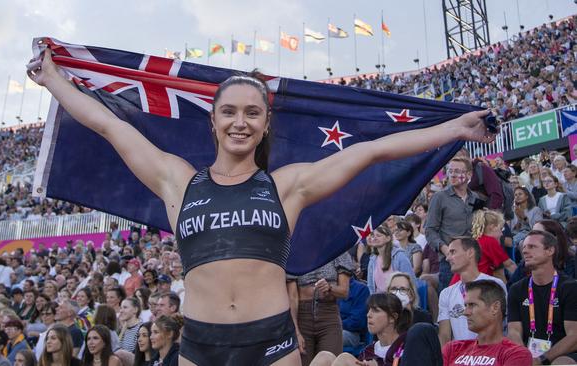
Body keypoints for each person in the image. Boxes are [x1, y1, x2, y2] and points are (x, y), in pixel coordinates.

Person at [28, 47, 495, 364]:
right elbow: (110, 126)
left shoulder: (286, 186)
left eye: (252, 113)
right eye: (229, 112)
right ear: (213, 121)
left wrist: (455, 129)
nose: (240, 122)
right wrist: (51, 79)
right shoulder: (176, 180)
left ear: (266, 124)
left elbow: (371, 151)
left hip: (272, 342)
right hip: (200, 345)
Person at [310, 293, 442, 366]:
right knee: (324, 357)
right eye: (368, 310)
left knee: (345, 359)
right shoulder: (369, 350)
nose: (368, 315)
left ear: (392, 317)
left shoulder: (409, 343)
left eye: (376, 311)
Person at [507, 230, 577, 365]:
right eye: (524, 247)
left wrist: (541, 360)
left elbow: (574, 336)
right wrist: (525, 358)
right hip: (528, 354)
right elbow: (514, 331)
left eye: (532, 247)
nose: (525, 251)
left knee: (561, 363)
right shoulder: (516, 289)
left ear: (550, 250)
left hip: (563, 354)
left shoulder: (570, 288)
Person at [442, 280, 532, 366]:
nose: (465, 312)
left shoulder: (515, 354)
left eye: (472, 305)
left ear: (495, 307)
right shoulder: (452, 349)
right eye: (466, 306)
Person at [287, 251, 354, 364]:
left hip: (328, 314)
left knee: (332, 361)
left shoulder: (338, 250)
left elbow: (344, 292)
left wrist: (329, 287)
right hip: (302, 317)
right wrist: (295, 331)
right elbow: (292, 298)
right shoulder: (296, 251)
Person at [438, 237, 506, 346]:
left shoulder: (494, 284)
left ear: (470, 253)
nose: (447, 258)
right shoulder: (446, 293)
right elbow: (444, 336)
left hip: (488, 355)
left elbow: (500, 327)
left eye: (453, 252)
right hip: (459, 358)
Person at [426, 157, 482, 290]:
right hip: (450, 262)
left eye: (457, 171)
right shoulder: (439, 197)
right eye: (450, 171)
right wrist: (447, 251)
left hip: (473, 259)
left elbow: (479, 227)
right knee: (451, 304)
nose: (452, 174)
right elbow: (430, 230)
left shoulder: (476, 198)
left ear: (469, 174)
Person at [451, 209, 517, 284]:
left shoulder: (477, 241)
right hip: (468, 287)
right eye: (501, 229)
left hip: (457, 286)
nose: (501, 234)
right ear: (492, 227)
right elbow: (510, 265)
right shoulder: (489, 242)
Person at [366, 225, 415, 294]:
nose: (374, 238)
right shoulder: (373, 259)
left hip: (398, 298)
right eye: (373, 236)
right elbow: (371, 285)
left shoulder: (399, 256)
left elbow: (410, 281)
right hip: (379, 300)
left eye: (378, 236)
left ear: (388, 238)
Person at [337, 278, 369, 350]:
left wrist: (334, 325)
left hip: (351, 333)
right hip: (329, 328)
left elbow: (357, 322)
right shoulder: (325, 287)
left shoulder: (361, 289)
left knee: (329, 338)